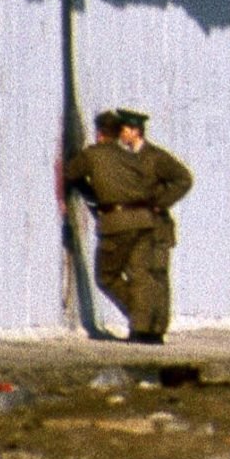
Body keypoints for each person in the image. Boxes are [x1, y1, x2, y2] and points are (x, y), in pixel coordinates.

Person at [61, 108, 192, 344]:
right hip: (144, 223)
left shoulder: (151, 156)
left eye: (126, 130)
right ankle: (146, 327)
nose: (123, 134)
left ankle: (149, 326)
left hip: (146, 225)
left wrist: (159, 203)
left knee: (142, 277)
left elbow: (183, 179)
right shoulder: (129, 156)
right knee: (144, 277)